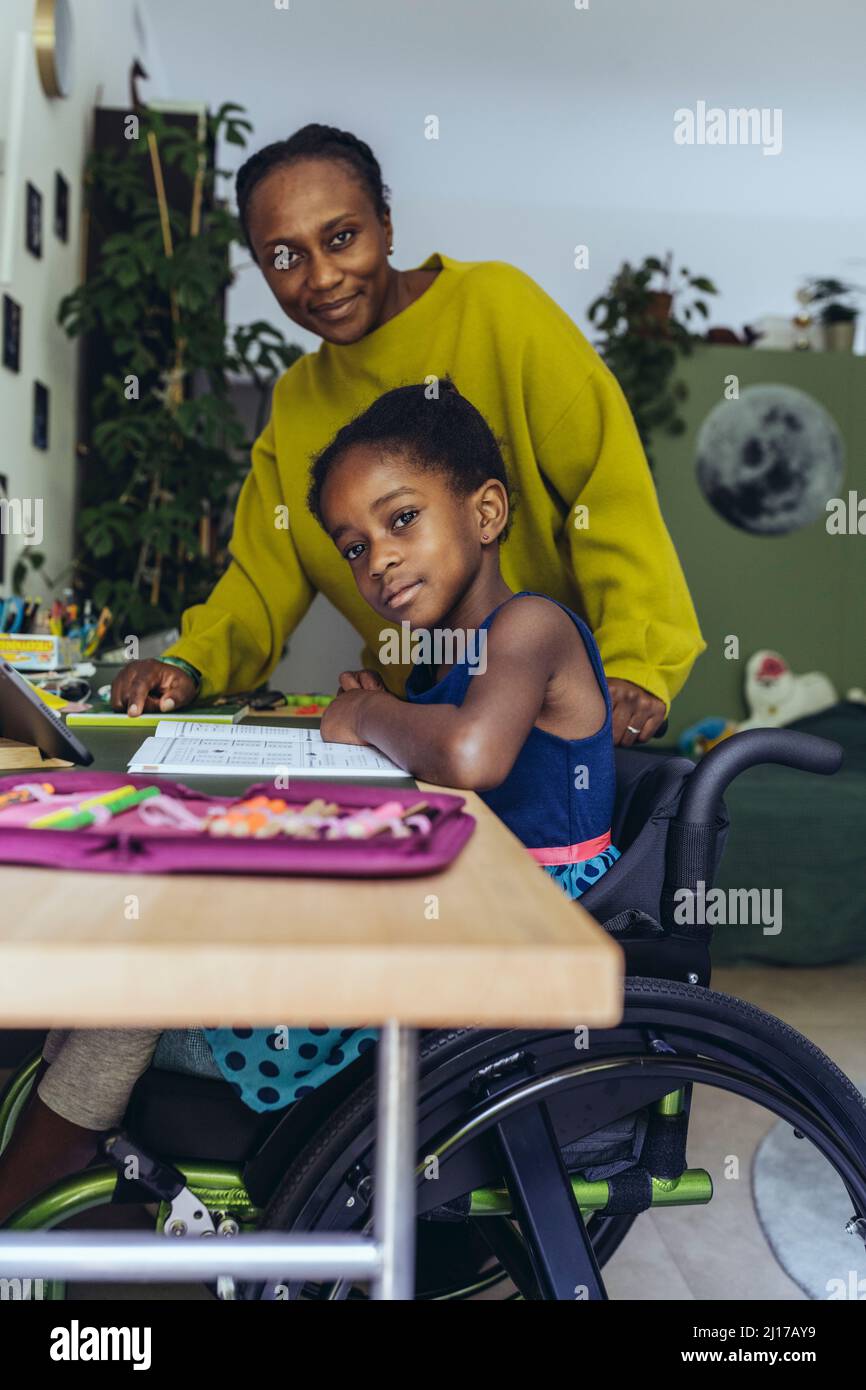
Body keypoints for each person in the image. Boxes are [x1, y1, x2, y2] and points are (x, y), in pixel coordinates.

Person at [0, 382, 621, 1222]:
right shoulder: (454, 665)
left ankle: (42, 1168)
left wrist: (370, 713)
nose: (380, 561)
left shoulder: (530, 627)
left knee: (132, 985)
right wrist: (391, 716)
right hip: (459, 927)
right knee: (138, 963)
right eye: (355, 547)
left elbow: (471, 754)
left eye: (401, 520)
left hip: (505, 959)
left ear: (486, 512)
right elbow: (448, 746)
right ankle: (59, 1144)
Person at [108, 122, 704, 746]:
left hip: (560, 720)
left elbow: (609, 499)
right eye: (285, 257)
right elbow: (261, 579)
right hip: (416, 727)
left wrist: (636, 664)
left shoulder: (499, 310)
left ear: (386, 227)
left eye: (342, 238)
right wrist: (185, 663)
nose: (322, 278)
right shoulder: (296, 401)